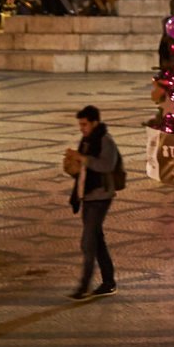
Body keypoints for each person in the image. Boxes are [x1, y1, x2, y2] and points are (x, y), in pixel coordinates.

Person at [63, 105, 121, 300]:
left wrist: (83, 159)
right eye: (80, 124)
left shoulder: (105, 140)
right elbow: (84, 167)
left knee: (88, 242)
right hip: (87, 196)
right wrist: (73, 163)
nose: (82, 128)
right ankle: (108, 282)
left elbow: (106, 165)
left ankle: (83, 287)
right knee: (97, 241)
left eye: (85, 124)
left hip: (100, 197)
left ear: (94, 122)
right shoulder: (87, 139)